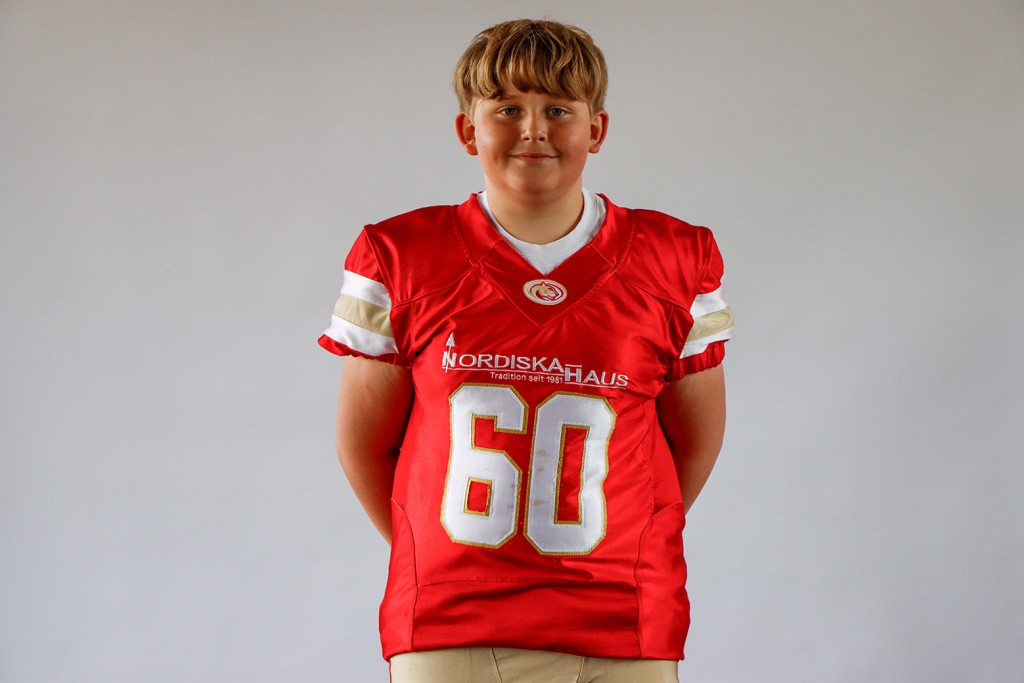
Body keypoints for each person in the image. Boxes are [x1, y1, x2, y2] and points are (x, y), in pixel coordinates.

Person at [319, 18, 733, 683]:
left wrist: (627, 540)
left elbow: (693, 443)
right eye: (508, 109)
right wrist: (437, 556)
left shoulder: (674, 258)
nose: (533, 129)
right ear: (468, 130)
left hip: (621, 615)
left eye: (558, 110)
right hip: (450, 618)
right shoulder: (400, 254)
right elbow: (364, 445)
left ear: (596, 129)